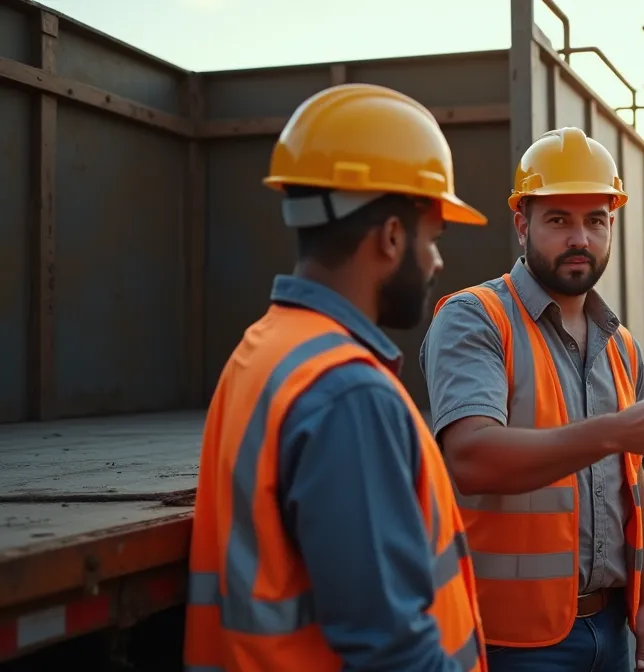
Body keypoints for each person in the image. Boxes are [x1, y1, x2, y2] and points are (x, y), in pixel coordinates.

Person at [183, 83, 489, 672]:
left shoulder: (265, 347)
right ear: (392, 237)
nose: (437, 262)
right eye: (432, 238)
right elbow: (394, 652)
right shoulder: (349, 394)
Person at [421, 126, 644, 672]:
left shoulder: (621, 345)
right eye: (559, 220)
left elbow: (632, 484)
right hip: (511, 641)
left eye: (595, 221)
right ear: (522, 225)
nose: (580, 237)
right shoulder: (475, 318)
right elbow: (471, 459)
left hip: (612, 628)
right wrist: (614, 431)